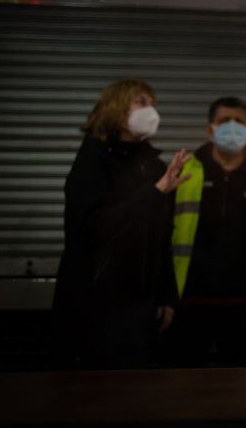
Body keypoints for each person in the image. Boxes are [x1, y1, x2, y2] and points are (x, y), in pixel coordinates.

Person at [52, 79, 189, 369]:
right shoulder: (93, 159)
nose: (150, 111)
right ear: (116, 108)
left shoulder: (151, 163)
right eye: (141, 102)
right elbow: (94, 228)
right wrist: (154, 193)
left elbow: (161, 235)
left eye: (152, 104)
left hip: (141, 305)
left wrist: (167, 296)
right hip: (95, 305)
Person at [164, 96, 246, 367]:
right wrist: (162, 293)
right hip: (189, 301)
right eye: (224, 121)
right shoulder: (186, 171)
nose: (232, 127)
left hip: (244, 303)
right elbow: (162, 233)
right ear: (210, 129)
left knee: (243, 390)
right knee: (180, 386)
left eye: (239, 122)